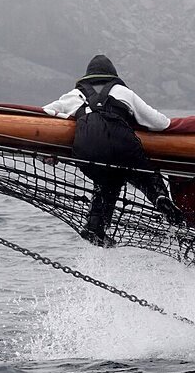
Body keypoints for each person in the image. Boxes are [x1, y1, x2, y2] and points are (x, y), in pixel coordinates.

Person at [43, 54, 182, 245]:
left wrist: (50, 151)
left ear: (87, 77)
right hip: (122, 144)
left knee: (106, 182)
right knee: (144, 173)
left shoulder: (73, 96)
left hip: (87, 148)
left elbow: (44, 115)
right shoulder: (123, 92)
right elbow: (161, 123)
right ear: (113, 76)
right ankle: (159, 197)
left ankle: (95, 228)